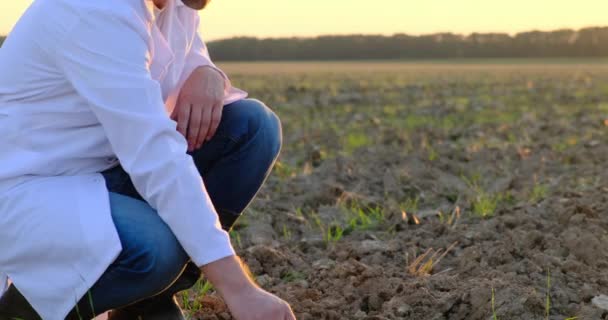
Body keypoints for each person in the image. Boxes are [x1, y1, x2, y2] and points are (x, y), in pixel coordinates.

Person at [0, 0, 296, 319]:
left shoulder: (175, 6)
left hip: (102, 172)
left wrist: (209, 73)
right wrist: (240, 291)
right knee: (153, 249)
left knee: (251, 126)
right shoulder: (95, 11)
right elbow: (154, 153)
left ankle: (144, 305)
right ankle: (19, 313)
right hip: (30, 188)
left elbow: (184, 60)